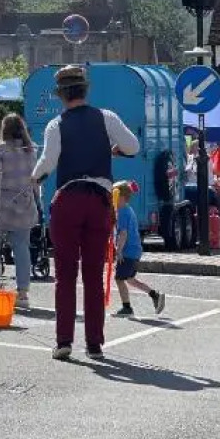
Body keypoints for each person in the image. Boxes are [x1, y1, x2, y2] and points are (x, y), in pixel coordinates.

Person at [32, 64, 139, 361]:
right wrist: (114, 149)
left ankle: (64, 341)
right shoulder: (106, 118)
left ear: (62, 96)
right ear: (85, 90)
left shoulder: (56, 124)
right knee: (93, 274)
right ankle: (94, 344)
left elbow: (48, 162)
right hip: (100, 201)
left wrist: (33, 178)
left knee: (65, 275)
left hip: (69, 199)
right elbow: (133, 145)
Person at [0, 113, 38, 309]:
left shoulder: (1, 148)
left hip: (0, 206)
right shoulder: (31, 150)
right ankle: (23, 292)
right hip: (24, 204)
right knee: (21, 248)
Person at [113, 181, 165, 317]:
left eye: (114, 195)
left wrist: (118, 251)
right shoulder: (127, 209)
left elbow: (123, 233)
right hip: (135, 251)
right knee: (129, 279)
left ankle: (127, 308)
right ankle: (155, 295)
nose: (112, 198)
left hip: (128, 252)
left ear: (122, 197)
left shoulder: (123, 212)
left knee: (119, 279)